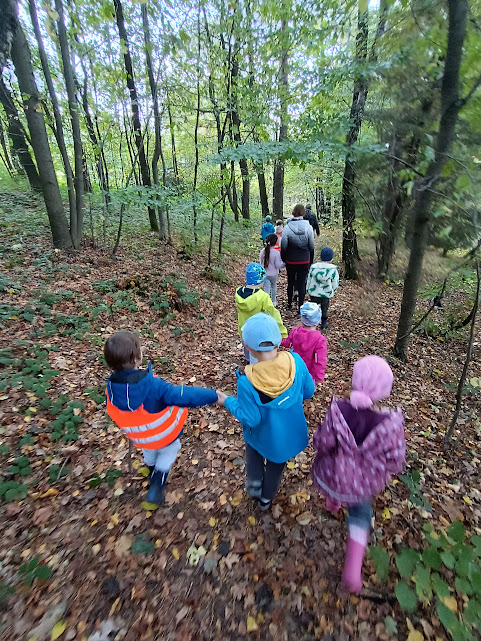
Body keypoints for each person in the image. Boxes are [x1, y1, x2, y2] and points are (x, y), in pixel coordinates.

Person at [311, 355, 405, 592]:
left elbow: (324, 441)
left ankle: (333, 501)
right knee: (360, 514)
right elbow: (395, 458)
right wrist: (386, 467)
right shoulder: (388, 423)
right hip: (363, 481)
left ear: (355, 379)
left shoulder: (339, 410)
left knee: (337, 481)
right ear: (384, 390)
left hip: (336, 471)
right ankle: (352, 570)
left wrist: (320, 443)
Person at [104, 331, 220, 505]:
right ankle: (157, 484)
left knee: (149, 451)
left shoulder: (112, 390)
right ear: (136, 358)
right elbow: (184, 395)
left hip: (140, 437)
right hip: (165, 435)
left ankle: (151, 470)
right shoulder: (153, 386)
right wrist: (213, 396)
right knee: (169, 451)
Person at [216, 313, 315, 510]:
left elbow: (251, 419)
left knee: (253, 446)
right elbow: (309, 391)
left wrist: (227, 401)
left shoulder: (247, 381)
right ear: (278, 339)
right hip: (286, 437)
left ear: (247, 347)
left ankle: (254, 482)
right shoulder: (296, 362)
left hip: (260, 435)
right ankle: (266, 499)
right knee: (276, 465)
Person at [235, 263, 288, 363]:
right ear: (260, 280)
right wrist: (282, 331)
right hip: (258, 332)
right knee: (256, 354)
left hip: (244, 329)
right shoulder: (263, 297)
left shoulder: (238, 293)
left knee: (246, 345)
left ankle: (248, 360)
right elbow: (273, 314)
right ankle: (255, 368)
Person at [281, 302, 327, 383]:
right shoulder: (319, 339)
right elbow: (320, 359)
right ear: (318, 320)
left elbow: (287, 343)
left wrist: (277, 340)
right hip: (309, 373)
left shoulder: (295, 332)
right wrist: (319, 377)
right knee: (307, 389)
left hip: (294, 368)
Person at [280, 204, 314, 311]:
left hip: (291, 260)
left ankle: (289, 304)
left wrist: (284, 258)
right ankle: (300, 307)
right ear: (303, 213)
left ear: (293, 212)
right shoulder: (308, 227)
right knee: (301, 283)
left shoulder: (287, 228)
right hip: (304, 260)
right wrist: (310, 261)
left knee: (290, 282)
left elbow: (283, 246)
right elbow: (311, 246)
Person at [307, 247, 339, 329]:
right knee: (324, 307)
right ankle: (324, 323)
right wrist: (333, 290)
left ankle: (311, 322)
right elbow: (335, 281)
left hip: (314, 292)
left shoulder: (314, 267)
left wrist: (308, 289)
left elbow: (309, 279)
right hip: (326, 292)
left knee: (314, 307)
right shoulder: (332, 269)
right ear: (331, 257)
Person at [259, 234, 285, 307]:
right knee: (273, 287)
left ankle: (265, 302)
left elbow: (261, 262)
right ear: (275, 242)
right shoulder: (276, 253)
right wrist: (285, 264)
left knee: (266, 288)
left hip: (265, 273)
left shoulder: (263, 251)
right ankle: (273, 302)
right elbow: (278, 265)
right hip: (274, 274)